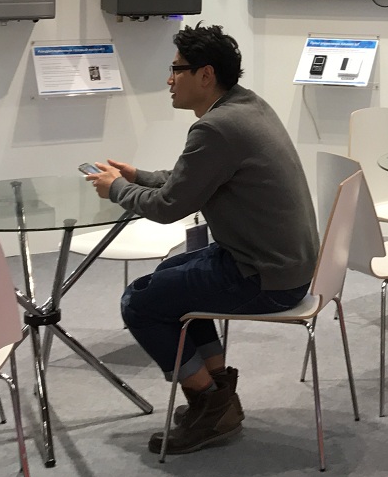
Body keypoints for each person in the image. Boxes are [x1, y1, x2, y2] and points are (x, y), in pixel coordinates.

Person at [86, 23, 319, 455]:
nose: (169, 80)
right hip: (282, 265)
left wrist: (117, 189)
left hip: (265, 278)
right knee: (169, 276)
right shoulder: (247, 107)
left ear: (205, 75)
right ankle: (219, 390)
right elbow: (190, 180)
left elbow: (168, 207)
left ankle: (210, 403)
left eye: (177, 70)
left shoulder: (217, 128)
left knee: (139, 303)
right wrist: (139, 177)